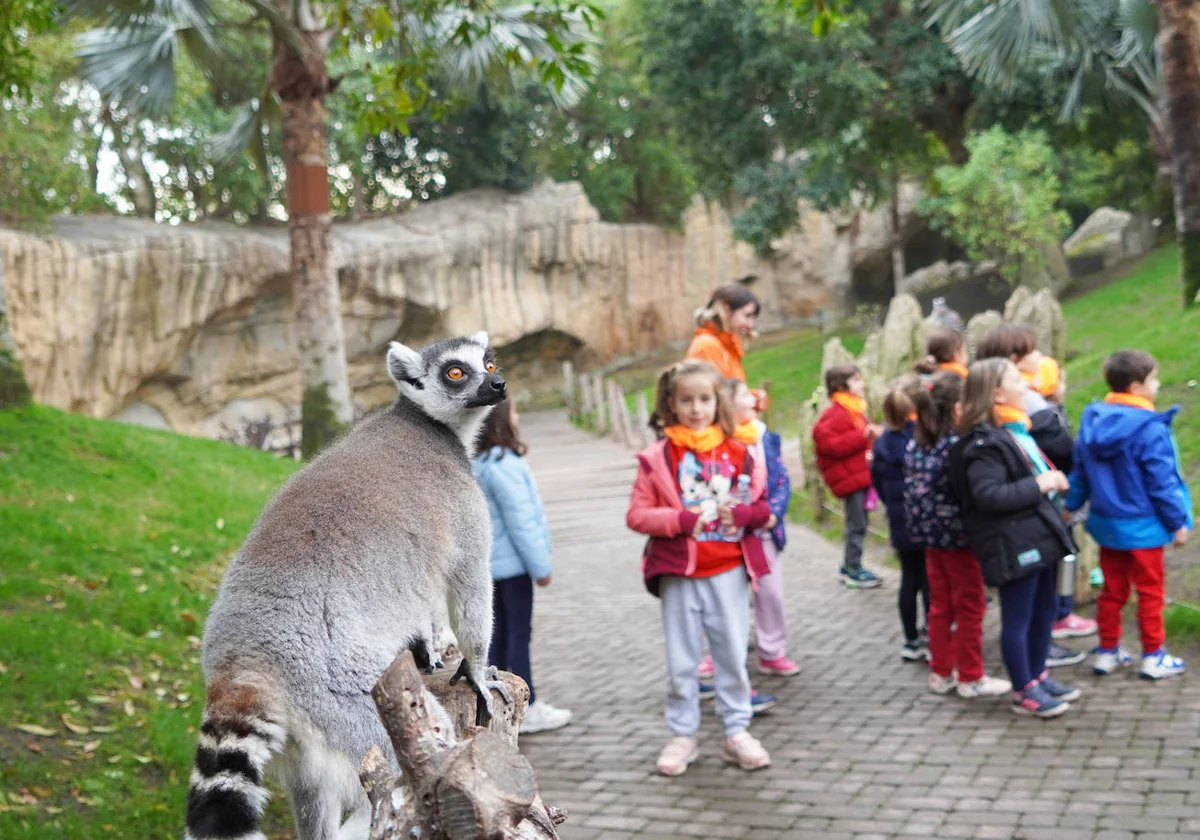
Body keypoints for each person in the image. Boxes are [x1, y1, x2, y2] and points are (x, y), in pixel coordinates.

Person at [626, 360, 773, 775]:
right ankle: (682, 734)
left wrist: (744, 515)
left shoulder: (739, 453)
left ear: (718, 401)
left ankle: (736, 730)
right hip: (678, 573)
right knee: (681, 660)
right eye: (686, 400)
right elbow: (637, 515)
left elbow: (763, 506)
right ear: (671, 403)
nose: (696, 408)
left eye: (705, 399)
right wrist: (682, 521)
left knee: (730, 654)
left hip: (728, 569)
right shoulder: (657, 457)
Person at [949, 359, 1082, 718]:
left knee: (1043, 611)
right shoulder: (983, 444)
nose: (1026, 385)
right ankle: (1024, 690)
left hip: (1036, 536)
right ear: (996, 392)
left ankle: (1038, 675)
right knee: (1019, 617)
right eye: (1016, 380)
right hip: (1012, 545)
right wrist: (1041, 483)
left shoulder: (1015, 432)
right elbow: (989, 495)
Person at [1064, 350, 1193, 680]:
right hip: (1145, 528)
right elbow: (1163, 483)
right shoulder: (1150, 429)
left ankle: (1107, 651)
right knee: (1150, 592)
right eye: (1154, 378)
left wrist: (1070, 506)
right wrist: (1178, 522)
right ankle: (1153, 655)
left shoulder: (1092, 421)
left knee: (1112, 590)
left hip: (1107, 526)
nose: (1159, 383)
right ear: (1137, 386)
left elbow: (1080, 474)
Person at [976, 323, 1094, 661]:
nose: (1041, 358)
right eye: (1032, 352)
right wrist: (1045, 481)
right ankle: (1028, 675)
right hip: (1029, 518)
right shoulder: (1010, 419)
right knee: (1024, 607)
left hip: (1037, 510)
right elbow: (994, 488)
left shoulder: (1018, 408)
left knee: (1037, 597)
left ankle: (1037, 665)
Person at [905, 372, 1010, 698]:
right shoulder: (958, 447)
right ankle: (971, 676)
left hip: (930, 538)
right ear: (956, 409)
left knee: (940, 605)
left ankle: (941, 672)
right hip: (960, 540)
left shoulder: (917, 442)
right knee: (970, 607)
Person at [472, 397, 572, 734]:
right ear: (500, 420)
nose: (517, 417)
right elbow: (523, 522)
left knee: (497, 637)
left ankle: (497, 703)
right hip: (513, 569)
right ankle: (526, 705)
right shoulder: (505, 465)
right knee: (517, 635)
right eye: (513, 412)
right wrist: (540, 566)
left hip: (489, 570)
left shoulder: (478, 463)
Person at [724, 378, 799, 676]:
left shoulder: (765, 437)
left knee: (770, 593)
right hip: (728, 534)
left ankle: (772, 650)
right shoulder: (718, 443)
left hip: (762, 529)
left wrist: (774, 513)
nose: (753, 397)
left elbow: (781, 479)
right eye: (744, 394)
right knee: (727, 596)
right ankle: (723, 653)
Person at [872, 375, 929, 660]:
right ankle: (931, 631)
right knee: (928, 578)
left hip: (898, 519)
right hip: (923, 518)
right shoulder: (919, 439)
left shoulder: (881, 445)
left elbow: (879, 485)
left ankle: (910, 640)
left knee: (909, 578)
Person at [812, 363, 884, 588]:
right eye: (856, 380)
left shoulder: (854, 409)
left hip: (859, 475)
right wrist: (863, 435)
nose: (861, 384)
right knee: (857, 524)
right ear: (841, 385)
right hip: (850, 480)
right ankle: (853, 567)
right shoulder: (835, 414)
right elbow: (828, 443)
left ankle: (849, 565)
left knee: (861, 521)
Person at [686, 283, 761, 382]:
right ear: (727, 309)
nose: (750, 325)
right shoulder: (708, 346)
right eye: (747, 316)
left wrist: (753, 395)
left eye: (753, 318)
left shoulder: (727, 345)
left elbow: (730, 390)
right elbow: (710, 395)